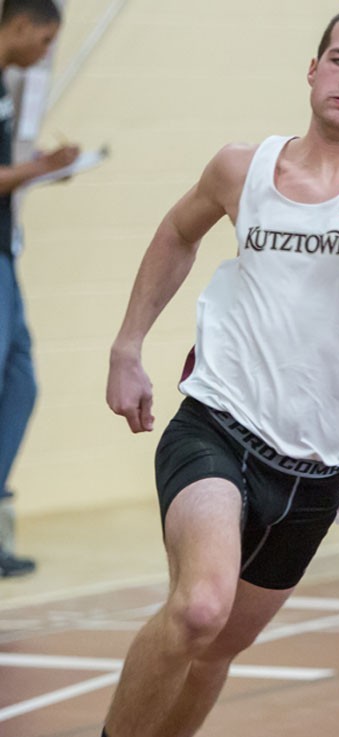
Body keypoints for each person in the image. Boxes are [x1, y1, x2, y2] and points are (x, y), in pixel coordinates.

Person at [100, 7, 339, 736]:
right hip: (216, 426)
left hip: (314, 471)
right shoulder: (245, 166)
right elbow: (179, 230)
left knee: (217, 649)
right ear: (312, 68)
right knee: (200, 607)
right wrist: (127, 345)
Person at [0, 0, 79, 578]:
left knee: (21, 383)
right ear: (21, 24)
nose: (47, 51)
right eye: (47, 39)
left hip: (7, 252)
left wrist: (43, 170)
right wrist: (41, 165)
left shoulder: (6, 86)